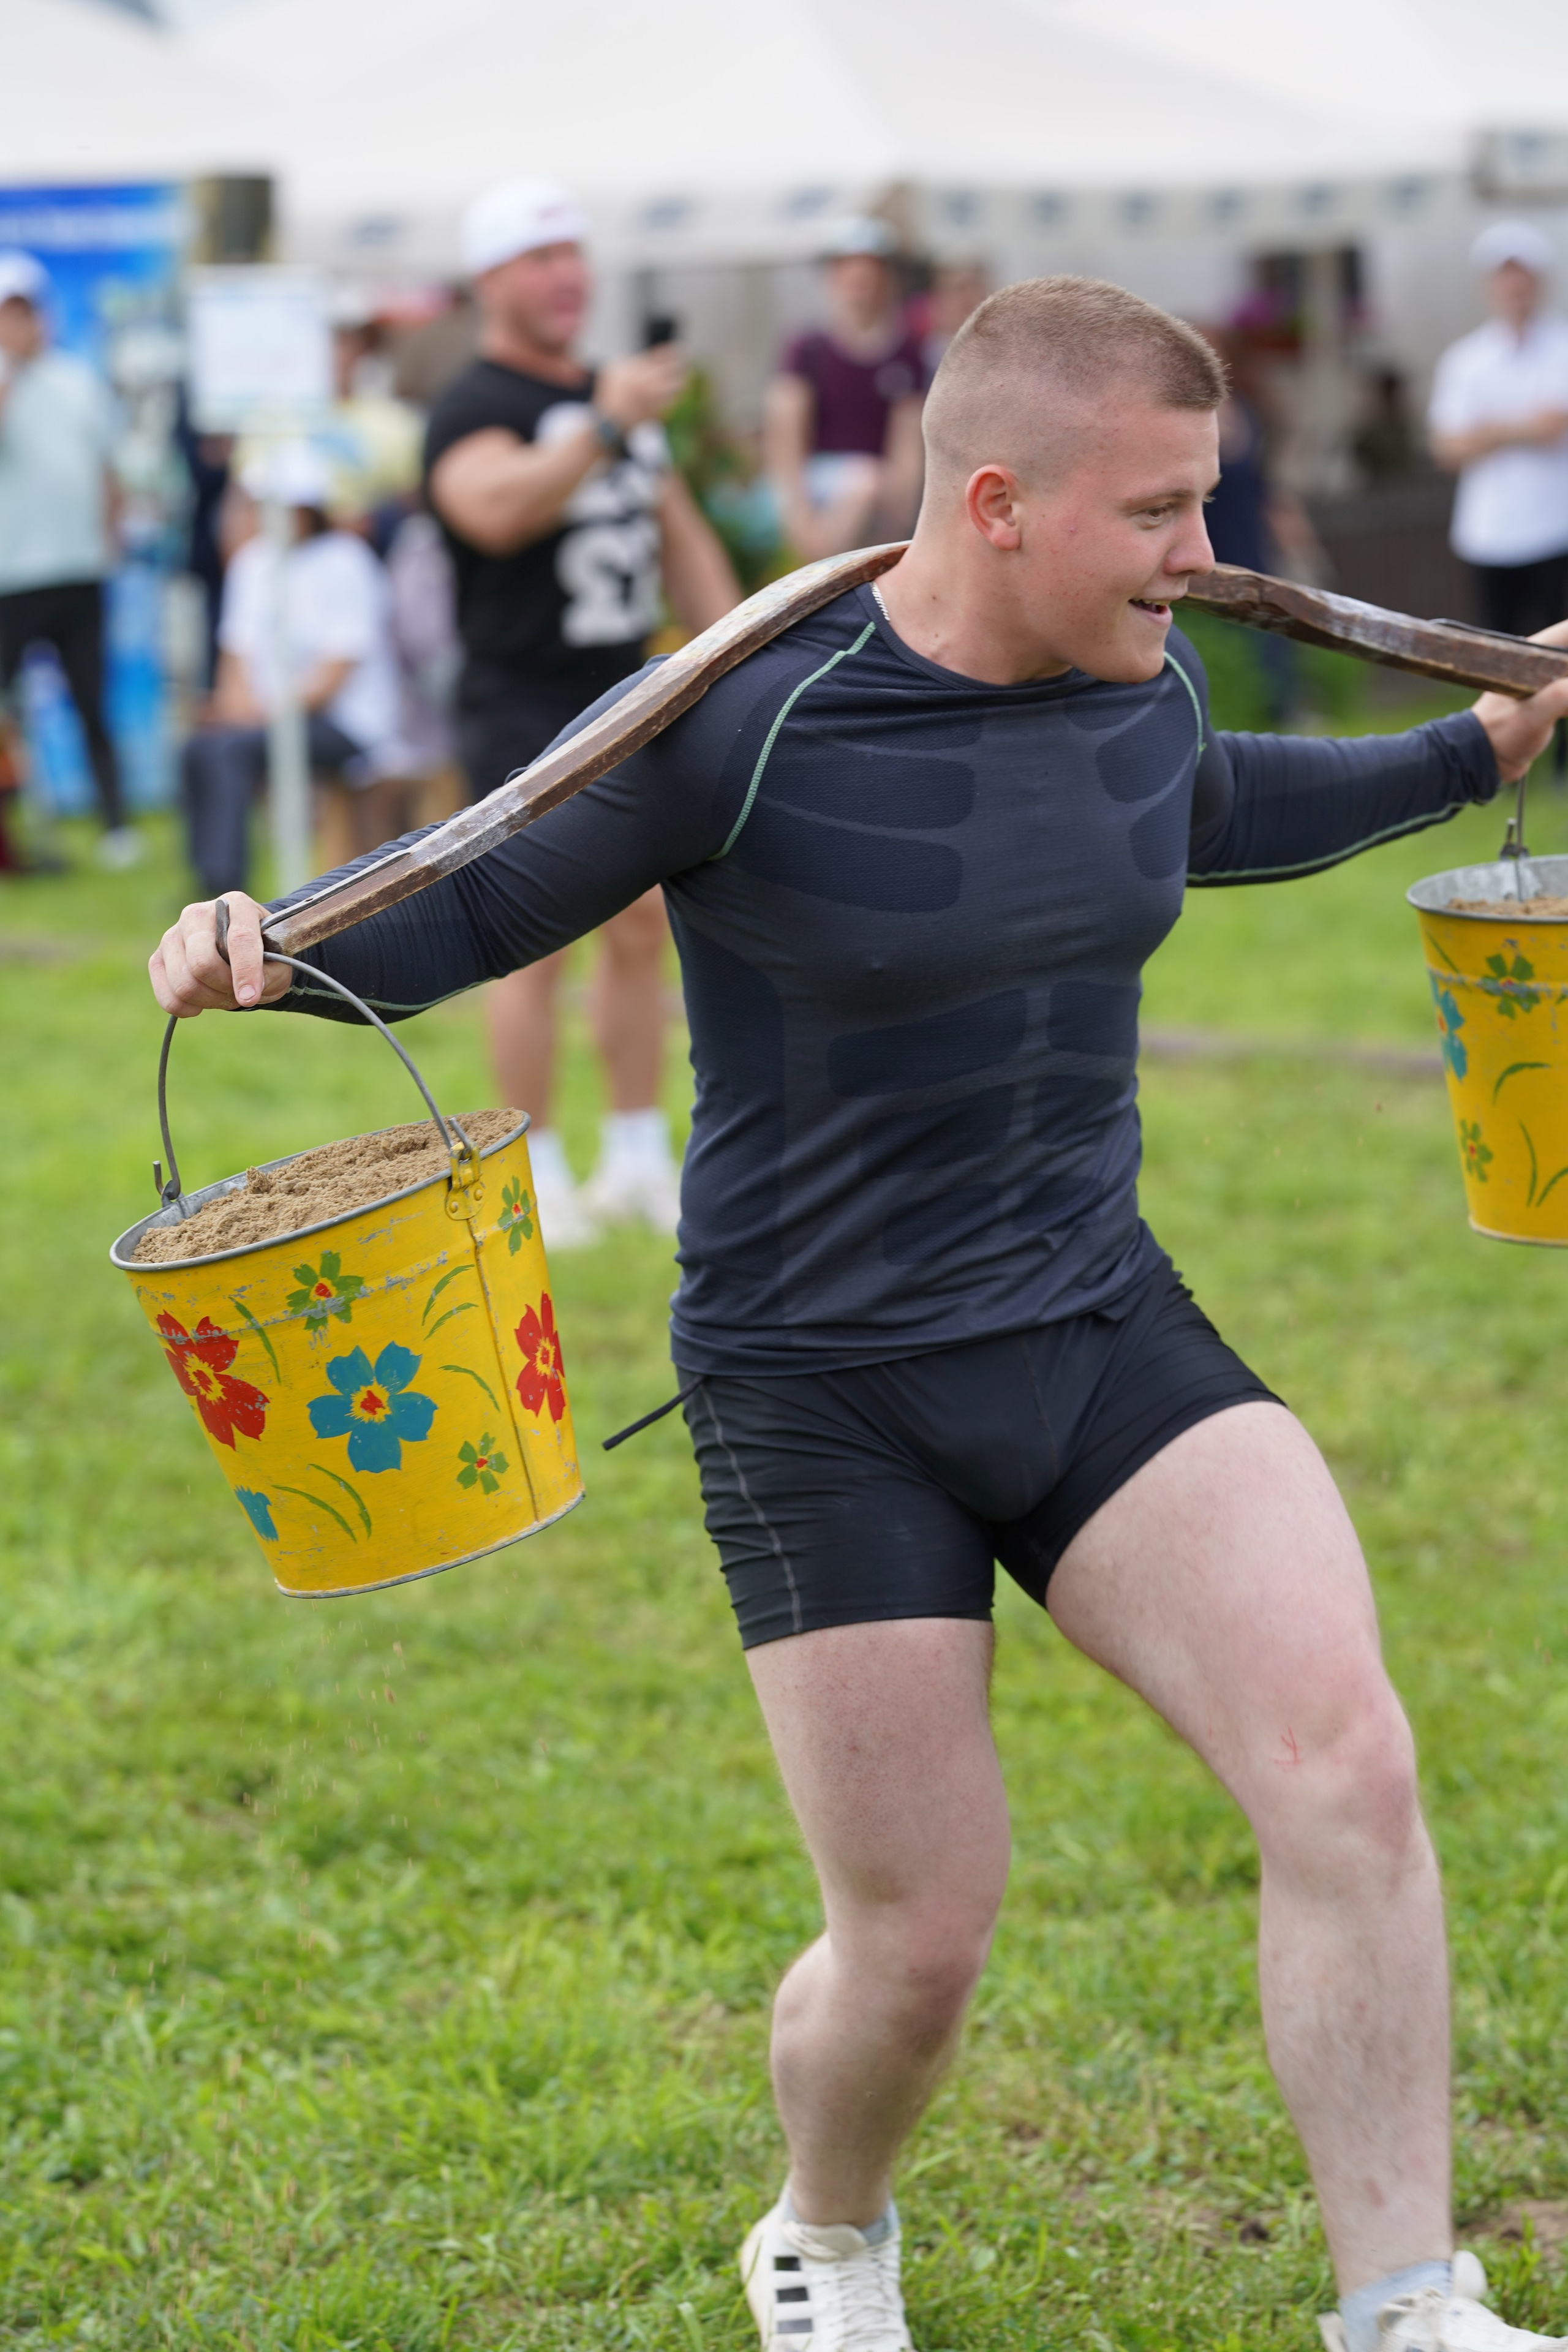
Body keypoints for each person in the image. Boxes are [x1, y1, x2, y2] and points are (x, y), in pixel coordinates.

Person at [152, 277, 1568, 2352]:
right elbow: (480, 893)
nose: (1204, 552)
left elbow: (1213, 807)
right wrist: (259, 946)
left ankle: (1406, 2302)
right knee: (918, 1945)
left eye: (1200, 503)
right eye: (1157, 511)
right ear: (997, 502)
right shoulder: (748, 719)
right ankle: (823, 2228)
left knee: (1347, 1773)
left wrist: (1470, 747)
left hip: (1098, 1330)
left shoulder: (1141, 678)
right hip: (820, 1393)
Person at [425, 177, 740, 1244]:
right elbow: (493, 510)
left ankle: (639, 1157)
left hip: (628, 697)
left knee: (646, 930)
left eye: (574, 253)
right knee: (531, 945)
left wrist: (744, 653)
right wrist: (603, 423)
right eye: (539, 257)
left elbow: (683, 542)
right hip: (521, 703)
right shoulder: (476, 405)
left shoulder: (617, 401)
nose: (566, 275)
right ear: (490, 280)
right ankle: (537, 1172)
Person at [179, 442, 400, 899]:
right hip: (270, 719)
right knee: (198, 748)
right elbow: (235, 655)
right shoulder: (253, 563)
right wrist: (240, 708)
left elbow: (337, 670)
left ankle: (227, 885)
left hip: (345, 722)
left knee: (228, 751)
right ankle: (205, 883)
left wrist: (263, 713)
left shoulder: (346, 560)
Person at [0, 249, 138, 870]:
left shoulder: (78, 380)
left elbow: (107, 467)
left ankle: (115, 824)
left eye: (24, 311)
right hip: (11, 577)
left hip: (79, 571)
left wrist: (110, 537)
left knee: (92, 703)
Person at [1430, 220, 1568, 638]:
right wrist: (1526, 429)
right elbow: (1448, 448)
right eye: (1505, 275)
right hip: (1490, 533)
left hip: (1557, 528)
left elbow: (1556, 427)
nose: (1514, 286)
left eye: (1521, 274)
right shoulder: (1465, 360)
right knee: (1498, 649)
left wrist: (1490, 432)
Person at [764, 216, 927, 562]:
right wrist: (797, 515)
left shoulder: (908, 355)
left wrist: (898, 522)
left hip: (878, 487)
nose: (860, 280)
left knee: (870, 481)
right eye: (849, 270)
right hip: (819, 481)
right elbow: (785, 435)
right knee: (864, 481)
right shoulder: (806, 349)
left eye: (870, 270)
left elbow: (908, 446)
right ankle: (818, 567)